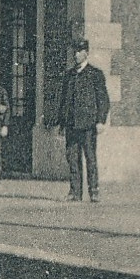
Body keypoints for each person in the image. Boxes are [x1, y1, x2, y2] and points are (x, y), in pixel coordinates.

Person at [50, 39, 110, 202]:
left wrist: (101, 121)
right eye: (74, 52)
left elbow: (103, 99)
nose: (76, 55)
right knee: (72, 158)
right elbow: (64, 101)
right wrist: (61, 123)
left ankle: (94, 191)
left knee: (90, 157)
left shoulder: (95, 74)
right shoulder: (69, 75)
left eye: (79, 51)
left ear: (86, 53)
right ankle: (75, 191)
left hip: (88, 125)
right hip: (71, 124)